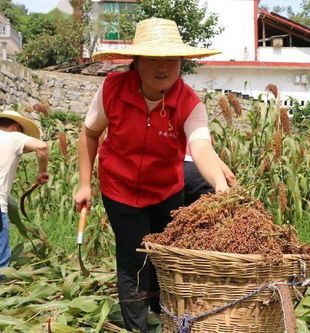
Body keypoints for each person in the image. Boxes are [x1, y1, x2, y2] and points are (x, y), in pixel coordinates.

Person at [74, 18, 231, 332]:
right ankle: (137, 327)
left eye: (171, 60)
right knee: (134, 261)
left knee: (160, 256)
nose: (164, 68)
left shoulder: (188, 103)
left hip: (165, 190)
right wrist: (83, 183)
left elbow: (201, 147)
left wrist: (219, 183)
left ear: (181, 63)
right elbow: (89, 133)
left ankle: (165, 317)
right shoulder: (112, 90)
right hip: (119, 189)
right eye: (154, 60)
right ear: (136, 63)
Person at [0, 110, 49, 281]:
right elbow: (42, 147)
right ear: (17, 127)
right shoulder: (13, 136)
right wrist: (42, 172)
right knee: (1, 265)